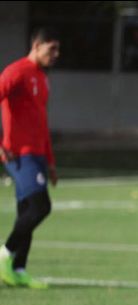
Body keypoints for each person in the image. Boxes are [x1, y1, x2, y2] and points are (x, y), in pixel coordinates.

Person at [0, 28, 60, 289]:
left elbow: (41, 122)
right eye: (51, 49)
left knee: (26, 211)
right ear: (36, 46)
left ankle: (19, 269)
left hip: (37, 156)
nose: (55, 55)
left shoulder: (42, 78)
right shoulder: (16, 71)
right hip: (17, 154)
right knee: (40, 207)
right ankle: (4, 255)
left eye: (57, 50)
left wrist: (51, 161)